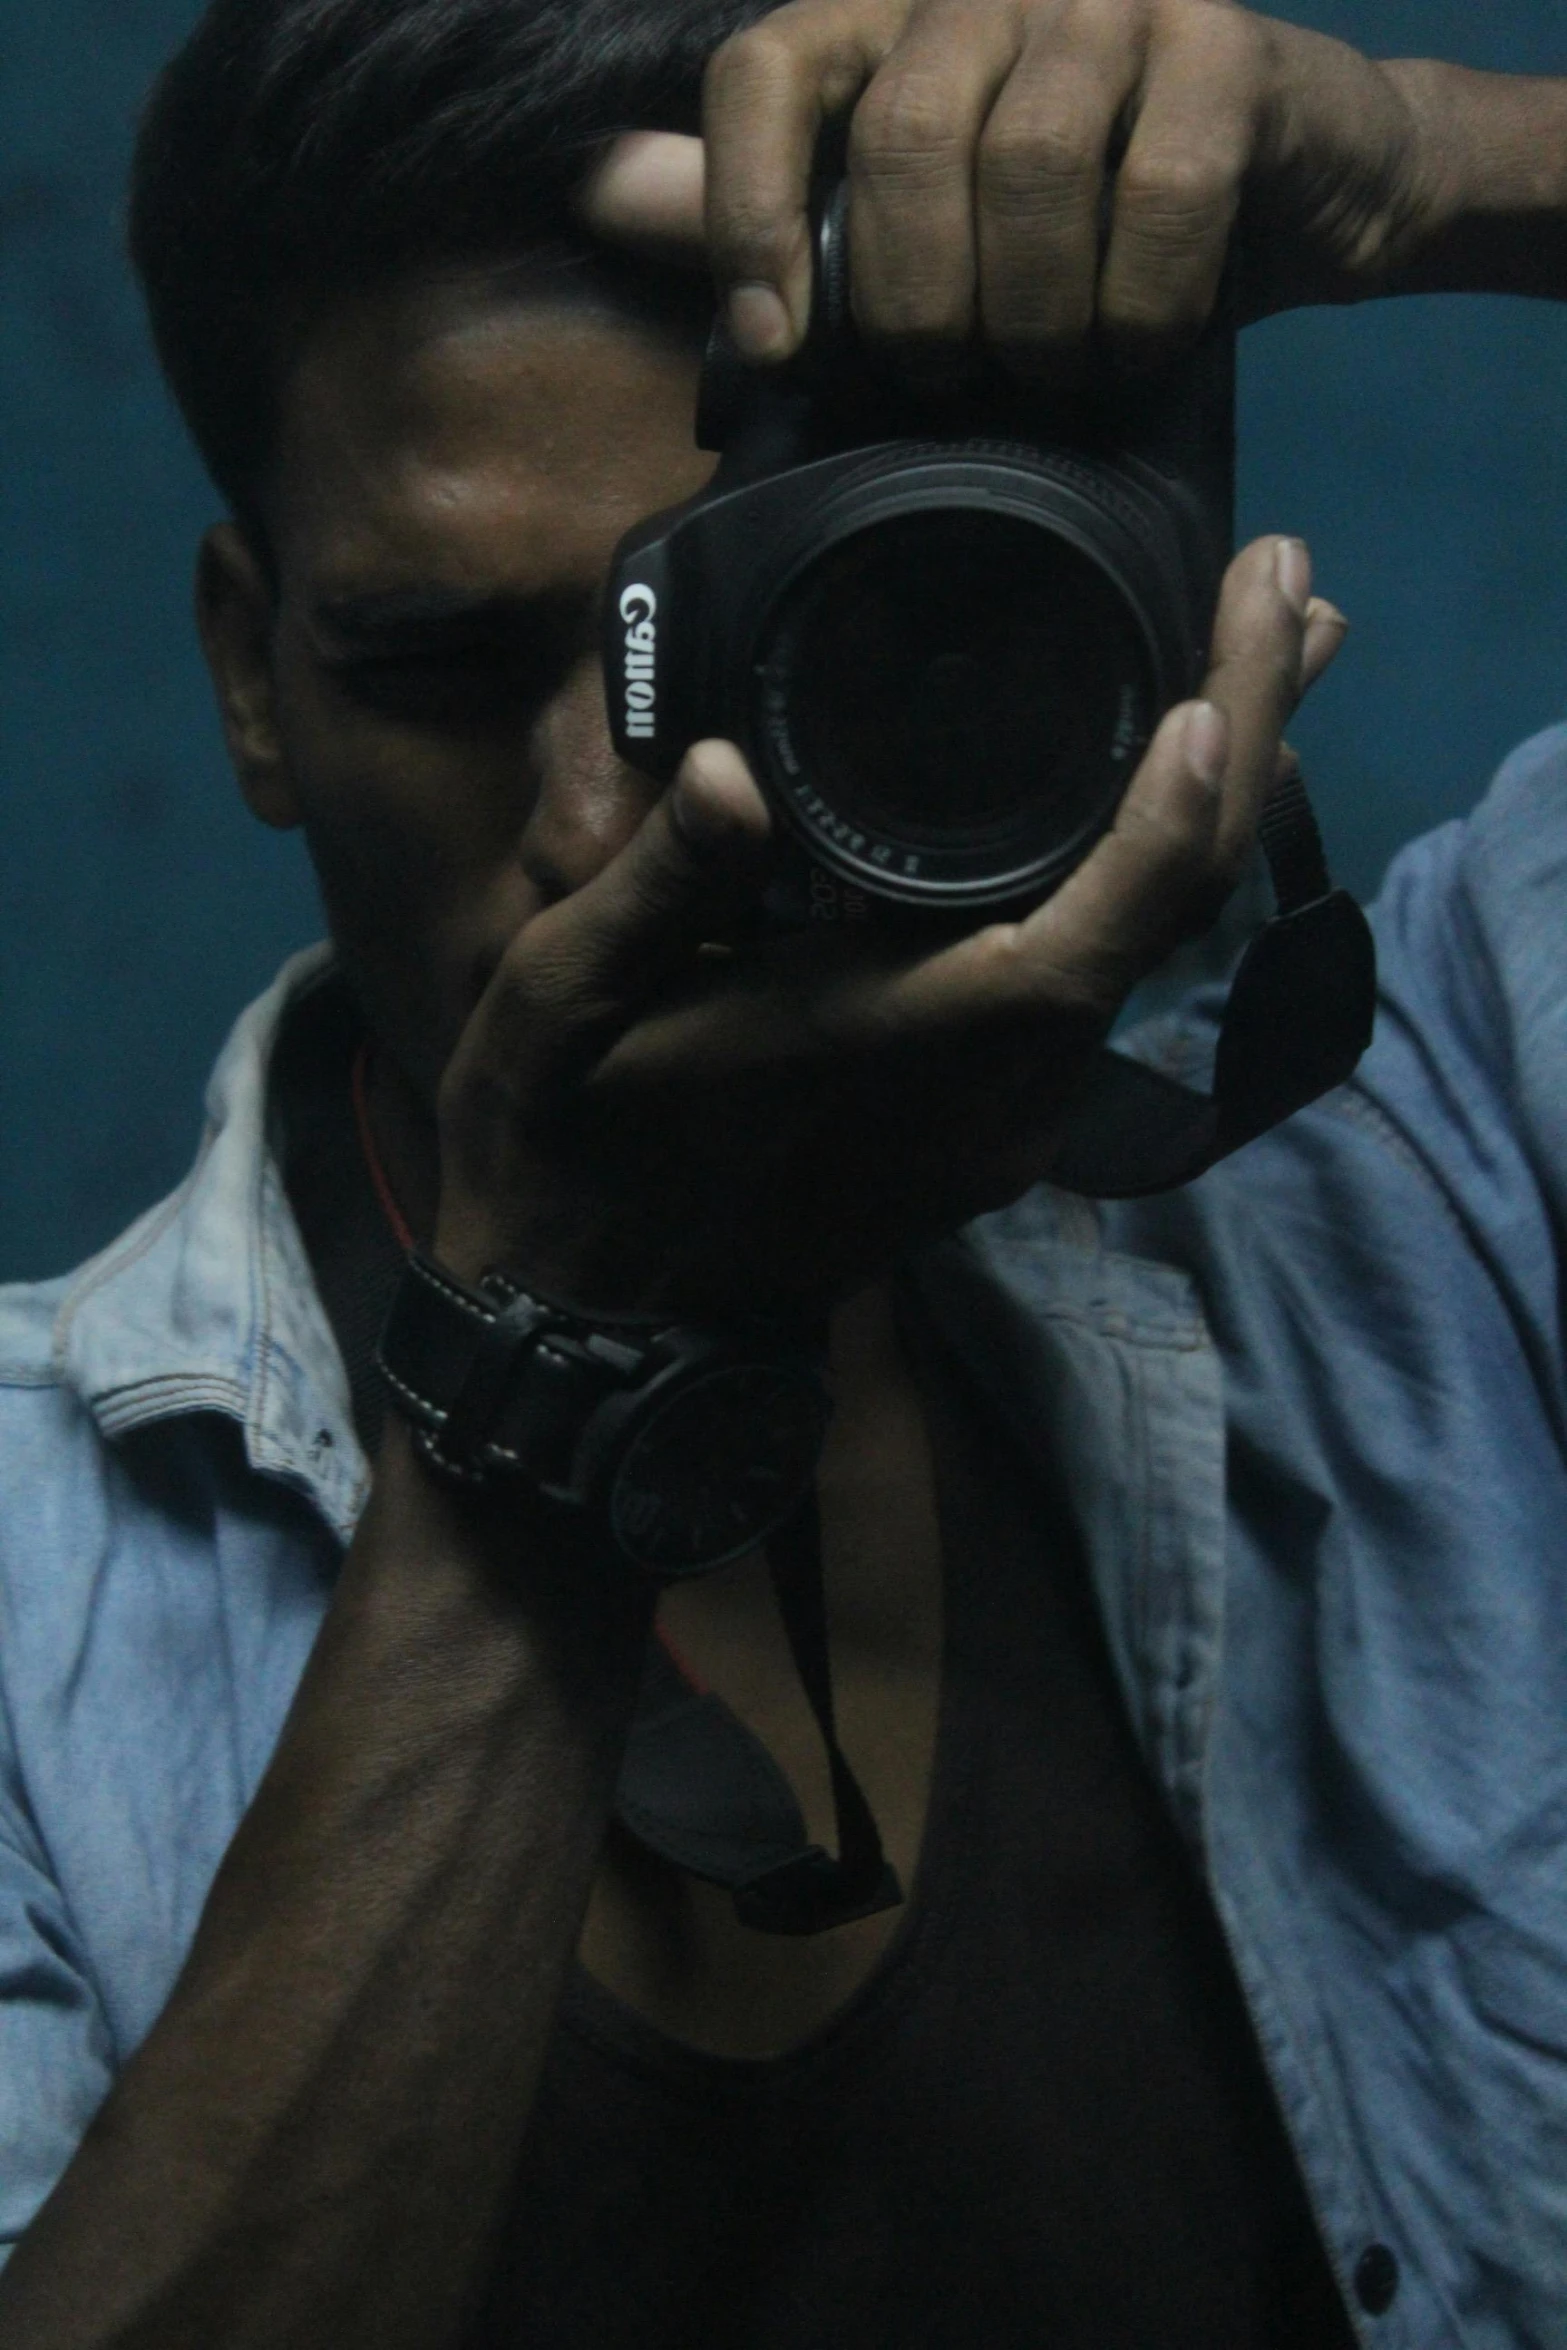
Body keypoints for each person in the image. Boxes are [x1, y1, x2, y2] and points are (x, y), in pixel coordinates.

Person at [0, 0, 1563, 2341]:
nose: (601, 820)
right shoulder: (27, 1606)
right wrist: (559, 1390)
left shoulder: (1444, 1154)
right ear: (249, 671)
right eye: (439, 657)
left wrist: (1437, 170)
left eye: (724, 643)